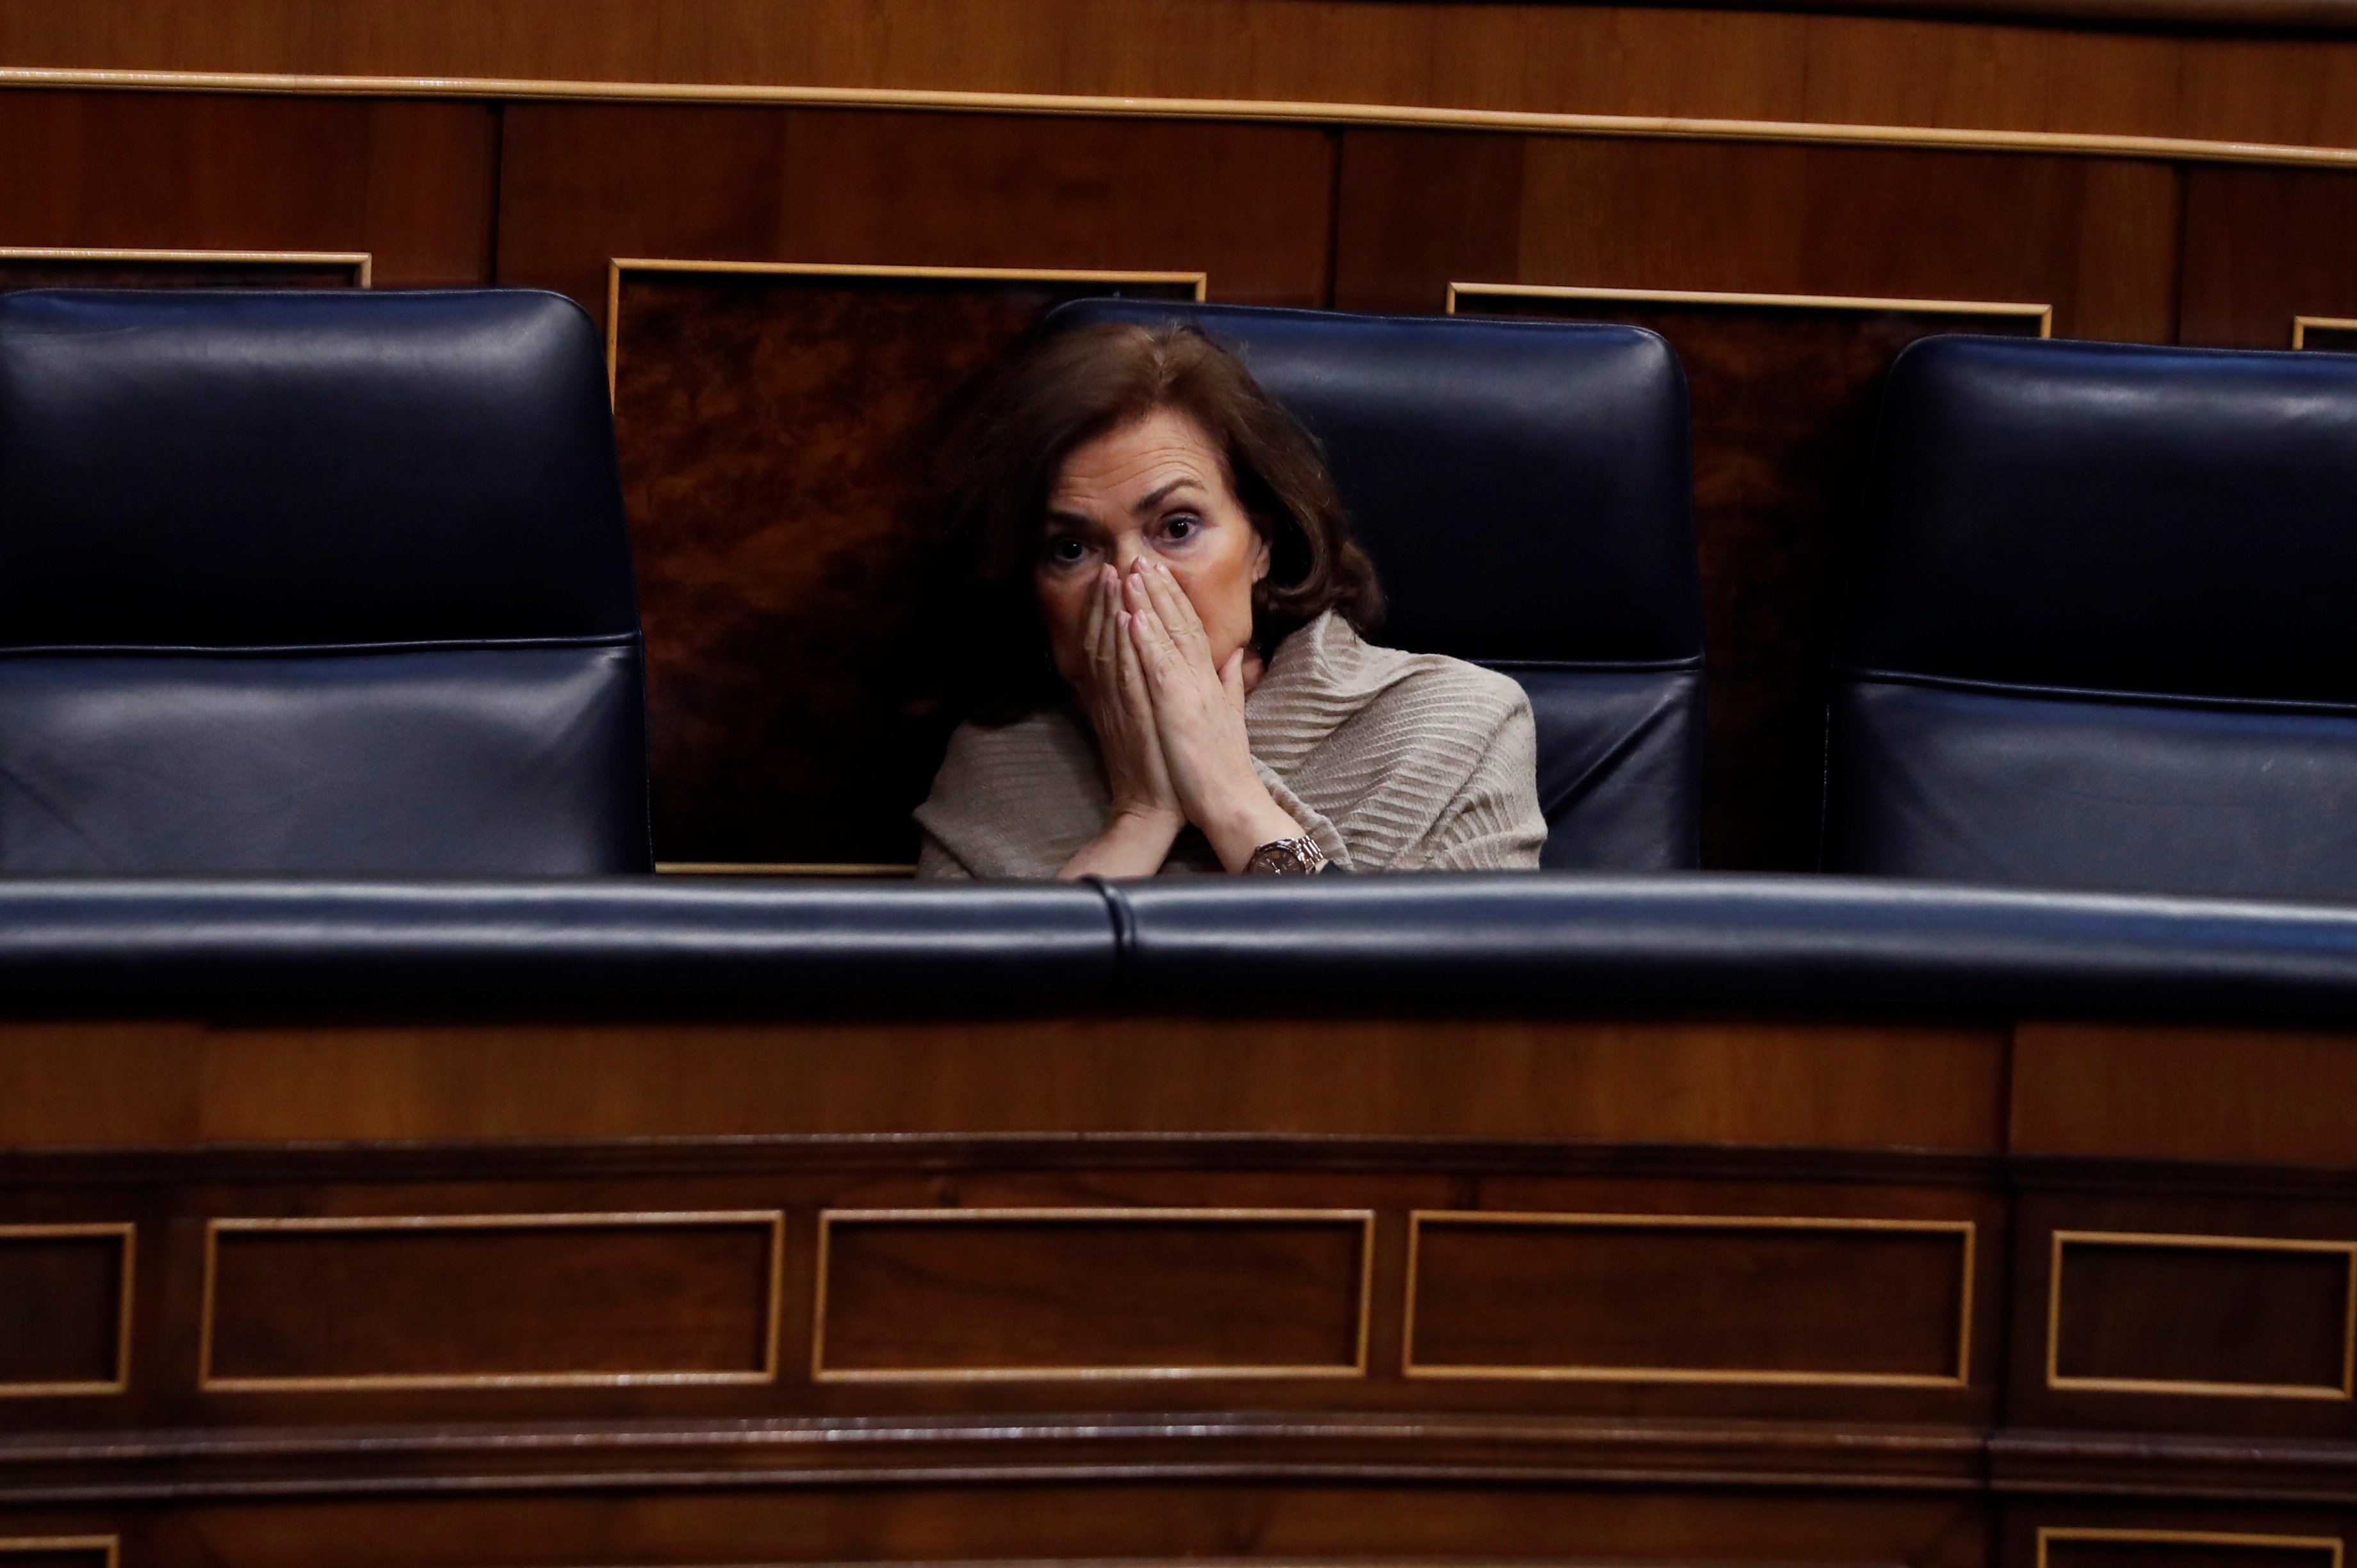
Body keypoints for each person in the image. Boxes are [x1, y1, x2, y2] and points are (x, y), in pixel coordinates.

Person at [913, 320, 1546, 879]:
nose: (1132, 584)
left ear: (1260, 545)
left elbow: (1442, 1011)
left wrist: (1230, 797)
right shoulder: (996, 764)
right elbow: (979, 1015)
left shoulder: (1460, 725)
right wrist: (1137, 821)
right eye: (1071, 550)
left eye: (1177, 528)